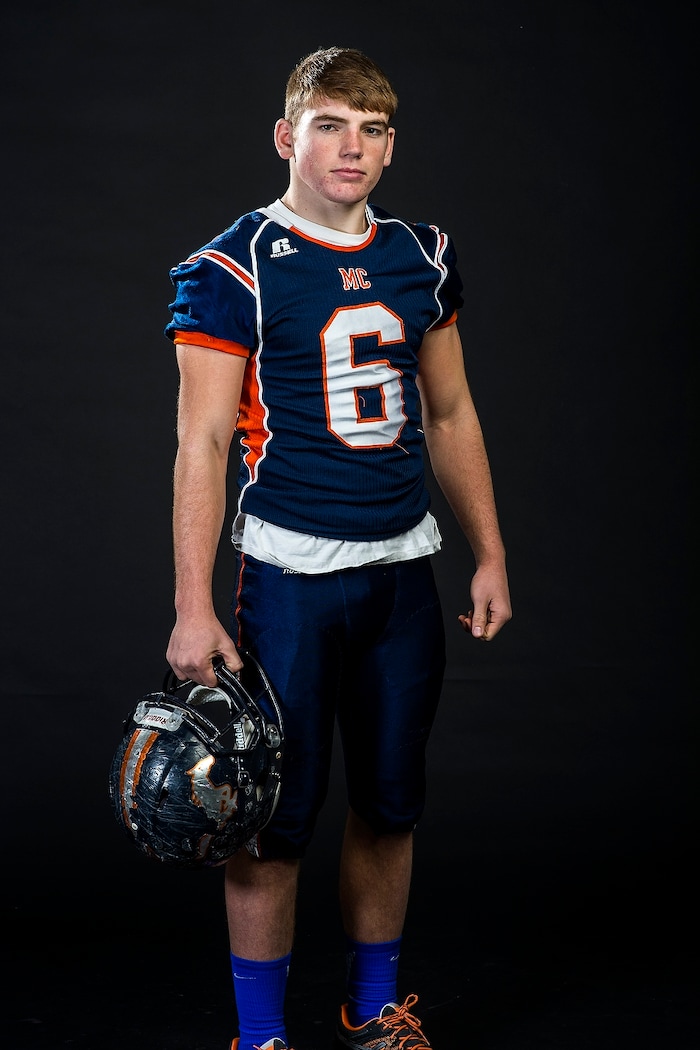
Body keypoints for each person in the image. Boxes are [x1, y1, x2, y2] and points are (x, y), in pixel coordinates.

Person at [164, 45, 511, 1050]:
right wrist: (193, 602)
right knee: (270, 818)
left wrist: (487, 552)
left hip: (403, 573)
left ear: (390, 146)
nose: (349, 145)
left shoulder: (420, 254)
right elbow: (199, 442)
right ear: (287, 136)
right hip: (290, 579)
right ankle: (262, 1036)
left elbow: (448, 414)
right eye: (327, 123)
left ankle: (372, 1012)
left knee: (392, 805)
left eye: (368, 128)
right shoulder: (234, 266)